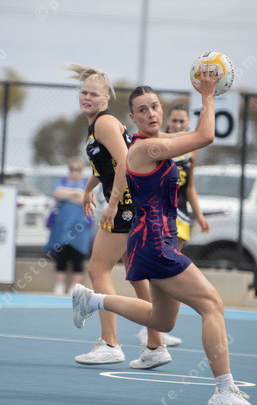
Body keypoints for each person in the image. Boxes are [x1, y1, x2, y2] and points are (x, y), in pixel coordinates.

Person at [72, 70, 251, 404]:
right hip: (155, 244)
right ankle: (224, 391)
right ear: (132, 119)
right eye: (143, 110)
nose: (151, 113)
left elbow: (194, 136)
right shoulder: (146, 148)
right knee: (212, 305)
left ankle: (92, 301)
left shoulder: (158, 141)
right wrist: (207, 95)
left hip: (154, 242)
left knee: (161, 322)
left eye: (155, 106)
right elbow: (206, 136)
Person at [67, 63, 178, 369]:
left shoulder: (104, 123)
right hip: (133, 202)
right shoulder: (99, 125)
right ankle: (155, 346)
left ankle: (110, 344)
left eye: (94, 94)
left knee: (97, 269)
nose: (87, 97)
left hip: (126, 203)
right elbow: (105, 166)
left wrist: (113, 203)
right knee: (136, 274)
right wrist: (89, 188)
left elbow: (124, 161)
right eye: (84, 92)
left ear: (105, 99)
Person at [135, 103, 211, 346]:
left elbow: (190, 186)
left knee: (170, 269)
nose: (178, 125)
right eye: (175, 121)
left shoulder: (191, 151)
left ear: (188, 123)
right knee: (162, 269)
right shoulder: (159, 144)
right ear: (168, 121)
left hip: (180, 212)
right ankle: (151, 325)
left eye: (182, 121)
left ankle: (158, 324)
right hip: (160, 212)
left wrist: (199, 215)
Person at [45, 157, 92, 296]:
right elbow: (56, 193)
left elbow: (88, 199)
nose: (74, 172)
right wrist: (77, 193)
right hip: (62, 226)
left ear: (81, 170)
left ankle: (75, 288)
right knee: (62, 256)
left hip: (80, 228)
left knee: (78, 257)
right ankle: (59, 286)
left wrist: (67, 195)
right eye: (72, 169)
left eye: (77, 169)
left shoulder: (87, 183)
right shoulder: (61, 181)